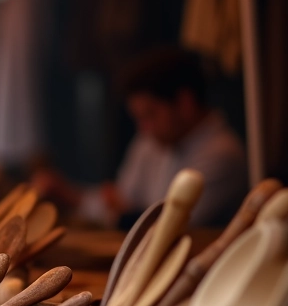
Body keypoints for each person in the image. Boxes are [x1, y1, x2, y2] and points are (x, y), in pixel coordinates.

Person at [36, 46, 247, 228]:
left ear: (185, 103)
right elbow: (120, 200)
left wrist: (122, 212)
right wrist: (69, 194)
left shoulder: (223, 154)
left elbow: (166, 226)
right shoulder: (151, 140)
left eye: (150, 115)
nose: (144, 128)